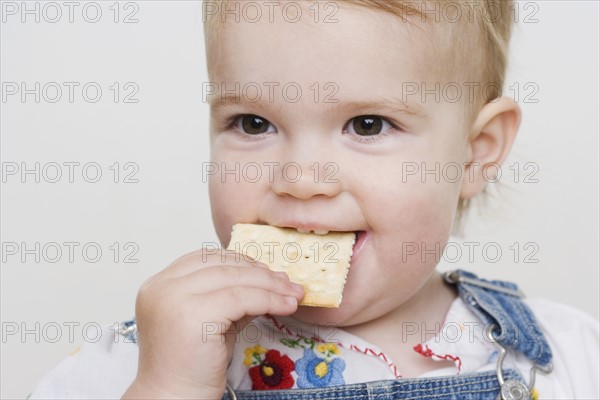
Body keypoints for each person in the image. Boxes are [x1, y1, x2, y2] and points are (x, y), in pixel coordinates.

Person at [30, 1, 599, 399]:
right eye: (253, 122)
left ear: (475, 152)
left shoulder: (566, 356)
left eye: (368, 124)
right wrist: (167, 389)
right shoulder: (148, 360)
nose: (302, 179)